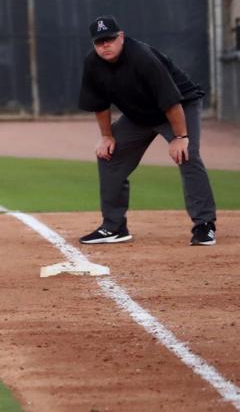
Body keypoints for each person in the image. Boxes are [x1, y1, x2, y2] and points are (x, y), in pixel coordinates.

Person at [77, 15, 217, 246]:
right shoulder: (93, 64)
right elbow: (99, 104)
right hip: (140, 115)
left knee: (187, 155)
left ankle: (204, 225)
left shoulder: (142, 57)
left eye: (110, 39)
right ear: (94, 44)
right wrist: (107, 136)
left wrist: (181, 137)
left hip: (179, 106)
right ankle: (114, 227)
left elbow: (171, 101)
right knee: (109, 156)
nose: (105, 45)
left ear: (121, 37)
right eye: (100, 41)